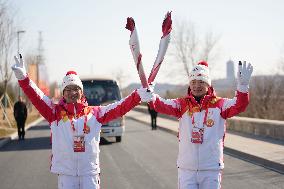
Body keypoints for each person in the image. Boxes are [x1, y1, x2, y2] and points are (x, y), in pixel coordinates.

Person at [11, 54, 154, 189]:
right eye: (68, 89)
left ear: (82, 92)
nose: (72, 92)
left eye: (76, 89)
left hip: (89, 174)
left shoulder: (95, 113)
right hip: (67, 175)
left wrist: (138, 96)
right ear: (63, 92)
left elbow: (120, 108)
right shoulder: (54, 113)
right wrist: (23, 78)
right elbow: (37, 96)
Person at [150, 61, 253, 189]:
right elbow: (161, 105)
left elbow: (239, 105)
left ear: (208, 84)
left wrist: (242, 87)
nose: (196, 86)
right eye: (193, 82)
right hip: (187, 169)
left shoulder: (220, 104)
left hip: (211, 169)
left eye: (201, 82)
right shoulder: (182, 104)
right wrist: (150, 97)